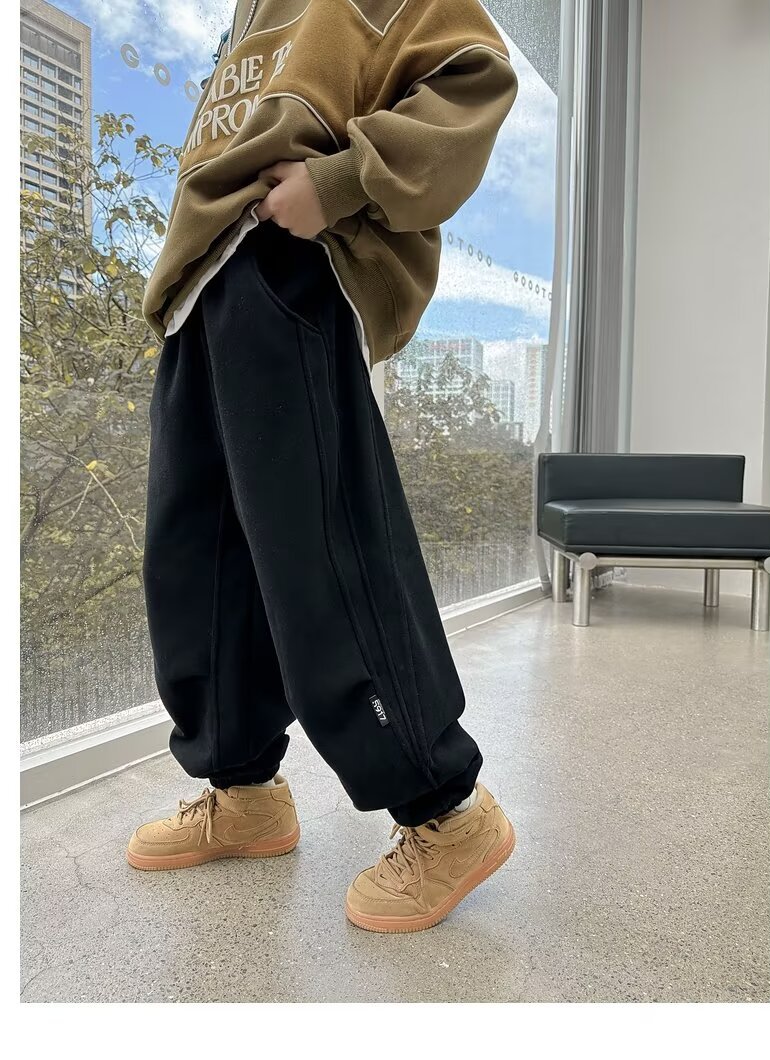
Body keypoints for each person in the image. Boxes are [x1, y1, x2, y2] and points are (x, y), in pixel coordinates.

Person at [127, 0, 519, 934]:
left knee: (322, 552)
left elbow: (474, 79)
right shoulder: (247, 15)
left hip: (286, 259)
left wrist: (341, 181)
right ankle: (243, 790)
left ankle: (444, 809)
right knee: (195, 557)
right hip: (199, 281)